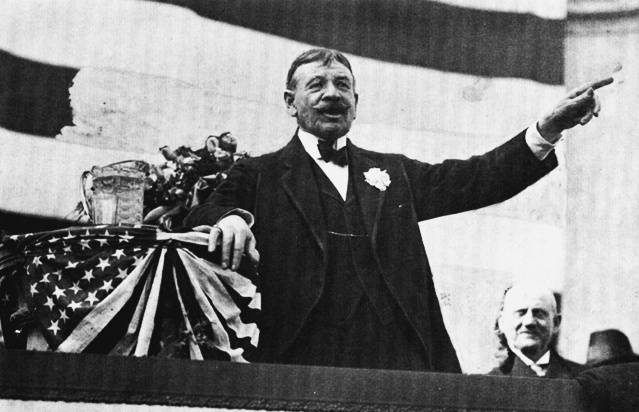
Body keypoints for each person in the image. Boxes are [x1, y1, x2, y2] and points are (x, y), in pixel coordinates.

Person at [184, 48, 611, 372]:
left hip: (400, 361)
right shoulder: (260, 173)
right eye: (316, 85)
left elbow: (478, 179)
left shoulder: (393, 172)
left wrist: (548, 129)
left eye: (342, 85)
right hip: (299, 361)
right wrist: (230, 218)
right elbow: (200, 213)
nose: (332, 94)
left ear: (356, 101)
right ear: (290, 101)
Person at [489, 284, 585, 378]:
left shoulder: (584, 379)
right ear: (502, 323)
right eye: (521, 313)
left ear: (555, 323)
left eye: (539, 313)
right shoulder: (488, 382)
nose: (529, 322)